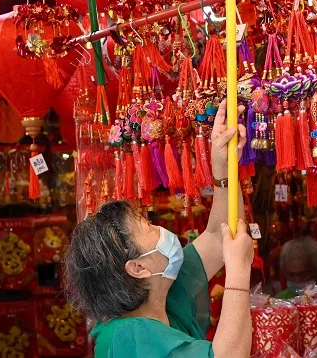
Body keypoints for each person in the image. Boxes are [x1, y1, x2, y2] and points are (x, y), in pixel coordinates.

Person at [64, 101, 253, 358]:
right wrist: (239, 272)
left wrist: (222, 166)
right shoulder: (128, 335)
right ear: (139, 267)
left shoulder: (163, 292)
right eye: (150, 228)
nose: (162, 230)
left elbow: (219, 237)